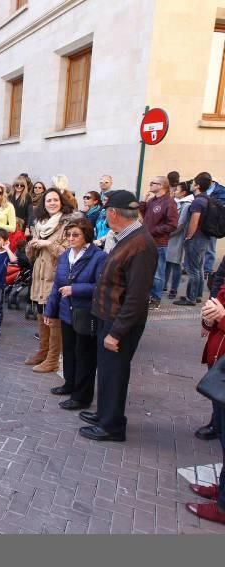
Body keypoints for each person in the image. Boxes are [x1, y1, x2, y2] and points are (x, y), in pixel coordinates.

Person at [79, 190, 157, 442]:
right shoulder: (125, 237)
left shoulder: (141, 244)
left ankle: (112, 426)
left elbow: (136, 297)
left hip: (119, 322)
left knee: (115, 373)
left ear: (113, 213)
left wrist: (116, 332)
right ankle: (104, 414)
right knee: (108, 370)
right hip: (109, 315)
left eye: (106, 212)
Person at [43, 219, 107, 410]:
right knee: (69, 352)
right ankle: (69, 384)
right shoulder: (64, 256)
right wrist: (50, 310)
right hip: (66, 312)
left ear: (86, 235)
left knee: (84, 355)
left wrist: (76, 289)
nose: (70, 238)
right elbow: (57, 285)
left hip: (85, 313)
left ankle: (82, 396)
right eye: (68, 235)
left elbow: (101, 286)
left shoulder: (98, 257)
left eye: (75, 235)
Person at [25, 188, 78, 373]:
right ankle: (43, 351)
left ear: (61, 202)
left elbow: (70, 251)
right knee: (41, 313)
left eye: (55, 200)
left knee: (53, 317)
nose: (52, 203)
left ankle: (53, 359)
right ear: (43, 204)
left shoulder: (67, 224)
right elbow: (31, 256)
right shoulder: (40, 223)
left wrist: (48, 244)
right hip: (39, 275)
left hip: (56, 276)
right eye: (49, 201)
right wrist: (31, 246)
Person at [186, 293, 225, 524]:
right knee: (221, 431)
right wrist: (208, 318)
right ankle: (222, 488)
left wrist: (221, 316)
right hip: (220, 368)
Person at [139, 176, 178, 309]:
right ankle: (148, 295)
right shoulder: (152, 200)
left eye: (153, 183)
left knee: (157, 272)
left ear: (161, 186)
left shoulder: (169, 202)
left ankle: (156, 298)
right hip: (147, 240)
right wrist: (143, 201)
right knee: (147, 270)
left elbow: (172, 225)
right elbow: (143, 214)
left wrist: (154, 230)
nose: (150, 185)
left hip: (159, 242)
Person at [175, 173, 212, 306]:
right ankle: (198, 295)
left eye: (193, 182)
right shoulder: (207, 199)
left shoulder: (197, 201)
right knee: (199, 268)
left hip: (196, 238)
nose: (191, 184)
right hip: (204, 238)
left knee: (192, 269)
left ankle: (191, 298)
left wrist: (189, 236)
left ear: (197, 185)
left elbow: (194, 221)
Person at [166, 182, 194, 300]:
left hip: (176, 238)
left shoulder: (186, 205)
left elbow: (181, 224)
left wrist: (168, 233)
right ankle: (164, 285)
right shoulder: (175, 202)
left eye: (177, 190)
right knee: (167, 262)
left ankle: (173, 289)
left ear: (183, 193)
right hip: (170, 236)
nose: (174, 191)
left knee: (175, 263)